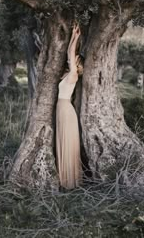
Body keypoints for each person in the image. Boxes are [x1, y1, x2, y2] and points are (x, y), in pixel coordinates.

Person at [56, 23, 83, 189]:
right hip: (63, 109)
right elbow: (69, 55)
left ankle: (68, 182)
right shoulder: (68, 74)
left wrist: (75, 38)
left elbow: (70, 54)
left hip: (65, 109)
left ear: (77, 63)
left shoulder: (73, 75)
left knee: (66, 143)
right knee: (62, 141)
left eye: (74, 60)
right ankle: (64, 178)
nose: (72, 60)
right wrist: (73, 36)